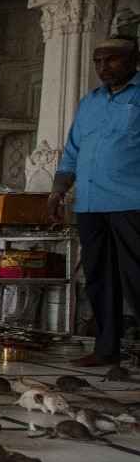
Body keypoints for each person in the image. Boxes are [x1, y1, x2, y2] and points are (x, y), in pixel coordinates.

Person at [49, 36, 140, 367]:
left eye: (111, 60)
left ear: (133, 60)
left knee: (135, 275)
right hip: (89, 203)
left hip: (132, 202)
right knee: (99, 276)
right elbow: (73, 150)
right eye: (98, 62)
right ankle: (106, 348)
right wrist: (58, 190)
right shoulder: (90, 102)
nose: (103, 68)